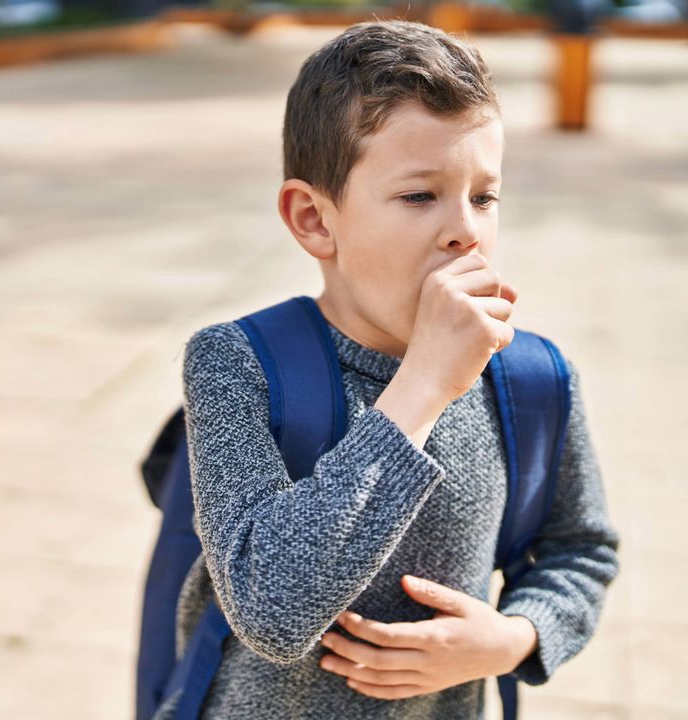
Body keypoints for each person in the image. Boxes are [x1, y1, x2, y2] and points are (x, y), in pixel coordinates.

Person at [156, 19, 621, 719]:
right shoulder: (235, 364)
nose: (465, 228)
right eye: (418, 196)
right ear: (315, 219)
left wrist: (512, 639)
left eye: (484, 196)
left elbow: (580, 549)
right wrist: (425, 386)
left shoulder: (532, 378)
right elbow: (271, 610)